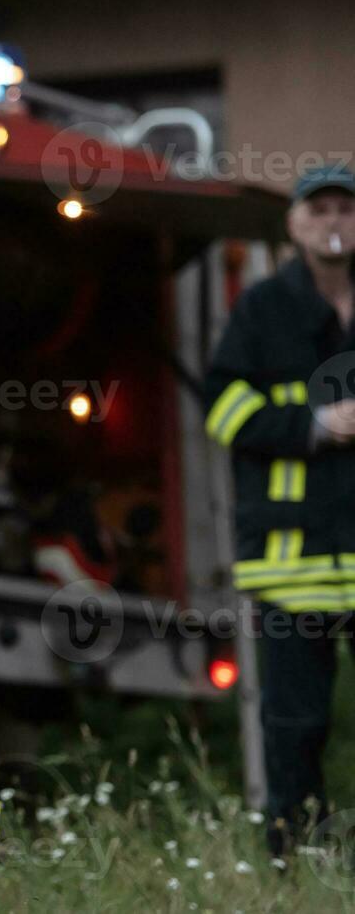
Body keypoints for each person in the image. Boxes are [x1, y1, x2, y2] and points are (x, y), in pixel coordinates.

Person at [203, 163, 355, 856]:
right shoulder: (264, 307)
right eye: (319, 209)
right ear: (294, 223)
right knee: (295, 724)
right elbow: (225, 408)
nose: (334, 221)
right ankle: (292, 858)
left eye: (346, 210)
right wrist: (315, 425)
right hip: (293, 564)